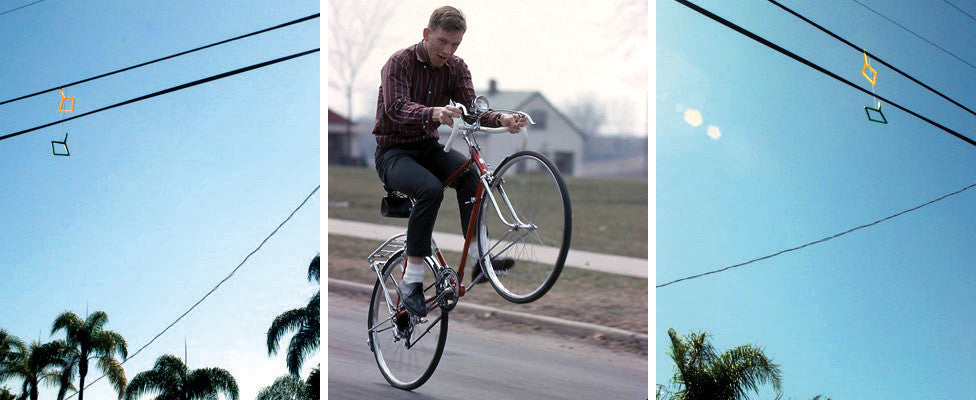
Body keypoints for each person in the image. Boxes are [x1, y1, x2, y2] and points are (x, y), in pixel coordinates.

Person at [373, 6, 526, 317]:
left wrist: (503, 118)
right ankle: (412, 282)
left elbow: (473, 111)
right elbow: (396, 108)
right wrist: (433, 112)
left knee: (470, 174)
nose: (447, 51)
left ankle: (480, 260)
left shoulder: (456, 68)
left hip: (428, 148)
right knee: (430, 189)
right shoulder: (398, 63)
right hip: (393, 154)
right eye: (442, 42)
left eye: (455, 45)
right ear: (427, 34)